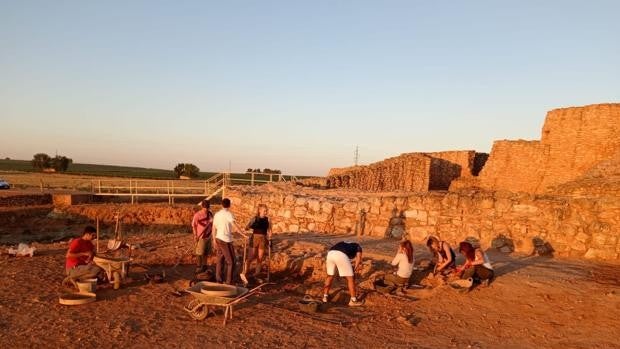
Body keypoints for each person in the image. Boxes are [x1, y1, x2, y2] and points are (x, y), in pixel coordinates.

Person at [212, 198, 245, 285]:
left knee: (220, 259)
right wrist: (243, 234)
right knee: (231, 261)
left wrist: (213, 239)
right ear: (229, 205)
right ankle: (228, 282)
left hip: (218, 238)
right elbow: (235, 225)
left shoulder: (217, 214)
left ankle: (219, 280)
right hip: (225, 240)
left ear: (221, 204)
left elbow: (213, 228)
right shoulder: (229, 214)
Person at [322, 241, 364, 306]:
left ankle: (325, 297)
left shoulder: (343, 244)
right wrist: (354, 269)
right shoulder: (358, 246)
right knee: (350, 278)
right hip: (341, 255)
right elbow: (358, 258)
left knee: (330, 276)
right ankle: (353, 301)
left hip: (330, 254)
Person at [242, 204, 272, 280]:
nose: (266, 212)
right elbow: (247, 227)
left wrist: (270, 236)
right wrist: (245, 230)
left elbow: (270, 229)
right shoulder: (255, 218)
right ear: (260, 211)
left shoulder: (268, 219)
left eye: (266, 211)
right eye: (264, 211)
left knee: (260, 257)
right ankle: (245, 272)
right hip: (254, 238)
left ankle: (256, 274)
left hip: (263, 238)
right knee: (251, 256)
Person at [192, 199, 213, 273]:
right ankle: (198, 267)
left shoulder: (210, 214)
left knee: (206, 253)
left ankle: (204, 266)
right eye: (205, 207)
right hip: (201, 237)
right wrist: (195, 235)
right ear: (202, 206)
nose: (206, 209)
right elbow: (194, 225)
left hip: (208, 236)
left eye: (207, 207)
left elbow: (212, 224)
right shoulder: (197, 215)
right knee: (199, 253)